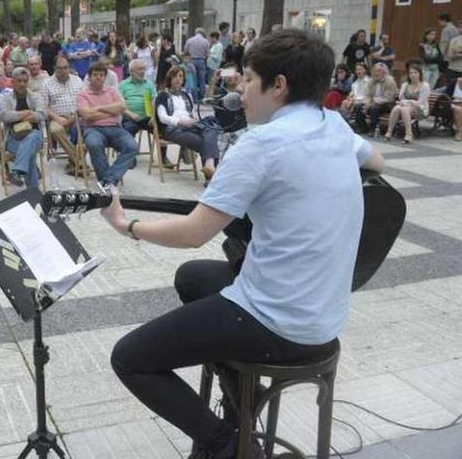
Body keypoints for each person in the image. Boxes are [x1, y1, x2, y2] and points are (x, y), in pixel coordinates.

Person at [103, 29, 384, 459]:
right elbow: (378, 161)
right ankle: (241, 406)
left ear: (279, 86)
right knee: (193, 279)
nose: (240, 91)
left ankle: (228, 445)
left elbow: (196, 233)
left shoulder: (261, 144)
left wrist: (128, 225)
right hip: (324, 316)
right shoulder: (334, 124)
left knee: (130, 357)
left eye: (248, 80)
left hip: (279, 323)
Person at [76, 62, 137, 188]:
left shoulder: (112, 92)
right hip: (93, 129)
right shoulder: (82, 95)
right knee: (93, 144)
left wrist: (98, 108)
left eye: (101, 75)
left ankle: (108, 180)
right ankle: (107, 184)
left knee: (132, 146)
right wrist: (111, 112)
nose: (99, 77)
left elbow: (122, 107)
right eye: (95, 75)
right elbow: (87, 116)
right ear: (89, 77)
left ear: (105, 77)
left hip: (115, 128)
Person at [156, 66, 220, 179]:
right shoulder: (162, 95)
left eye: (180, 76)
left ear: (184, 79)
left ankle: (209, 167)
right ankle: (212, 176)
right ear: (169, 78)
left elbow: (191, 113)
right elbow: (162, 117)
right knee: (207, 142)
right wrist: (179, 122)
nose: (177, 79)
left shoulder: (187, 95)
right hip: (173, 128)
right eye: (174, 76)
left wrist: (192, 120)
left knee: (211, 125)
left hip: (191, 125)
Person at [0, 67, 46, 188]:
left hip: (35, 137)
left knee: (33, 136)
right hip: (13, 138)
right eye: (19, 81)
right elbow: (4, 116)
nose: (22, 84)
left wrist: (30, 115)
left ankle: (17, 171)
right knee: (29, 154)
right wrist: (25, 113)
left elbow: (42, 114)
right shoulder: (6, 98)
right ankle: (33, 193)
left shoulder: (35, 96)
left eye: (25, 81)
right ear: (13, 82)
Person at [44, 57, 86, 174]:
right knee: (55, 130)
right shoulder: (47, 84)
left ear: (69, 68)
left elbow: (85, 100)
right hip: (57, 118)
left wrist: (75, 116)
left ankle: (75, 162)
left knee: (89, 129)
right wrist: (57, 118)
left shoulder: (77, 80)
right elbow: (43, 107)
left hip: (77, 116)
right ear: (54, 69)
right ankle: (79, 161)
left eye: (65, 68)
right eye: (60, 68)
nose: (63, 71)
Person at [384, 64, 430, 144]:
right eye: (411, 73)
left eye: (415, 73)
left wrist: (407, 102)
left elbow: (420, 102)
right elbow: (400, 99)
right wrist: (408, 102)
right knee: (396, 108)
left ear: (420, 74)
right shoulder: (405, 85)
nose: (413, 75)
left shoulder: (425, 85)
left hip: (420, 109)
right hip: (406, 107)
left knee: (404, 109)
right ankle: (389, 132)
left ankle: (409, 134)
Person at [119, 59, 158, 143]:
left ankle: (163, 154)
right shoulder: (123, 85)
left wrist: (153, 116)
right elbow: (118, 104)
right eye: (139, 69)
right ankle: (130, 154)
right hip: (129, 117)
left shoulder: (149, 84)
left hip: (148, 117)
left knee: (163, 127)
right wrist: (130, 114)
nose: (143, 72)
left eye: (144, 69)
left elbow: (155, 101)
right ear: (131, 71)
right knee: (128, 129)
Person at [364, 62, 399, 137]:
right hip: (373, 103)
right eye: (375, 71)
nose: (376, 73)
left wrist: (373, 103)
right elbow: (367, 95)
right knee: (358, 106)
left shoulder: (390, 81)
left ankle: (372, 129)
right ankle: (362, 127)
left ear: (384, 72)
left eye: (379, 71)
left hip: (387, 103)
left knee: (374, 108)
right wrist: (367, 103)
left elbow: (388, 98)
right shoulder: (371, 81)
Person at [341, 63, 373, 132]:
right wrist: (350, 99)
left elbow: (368, 96)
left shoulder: (369, 81)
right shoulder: (355, 83)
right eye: (357, 69)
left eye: (360, 69)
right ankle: (344, 124)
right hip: (355, 101)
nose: (358, 71)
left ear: (365, 71)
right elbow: (352, 94)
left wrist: (353, 100)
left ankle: (362, 127)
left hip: (366, 102)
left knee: (356, 105)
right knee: (344, 102)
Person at [184, 28, 210, 101]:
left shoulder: (189, 40)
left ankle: (194, 97)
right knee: (202, 79)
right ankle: (202, 96)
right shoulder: (205, 41)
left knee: (193, 79)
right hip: (201, 60)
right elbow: (207, 53)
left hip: (191, 60)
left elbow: (186, 51)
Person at [445, 77, 462, 141]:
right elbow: (446, 96)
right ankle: (459, 132)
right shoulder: (454, 82)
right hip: (453, 104)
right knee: (458, 109)